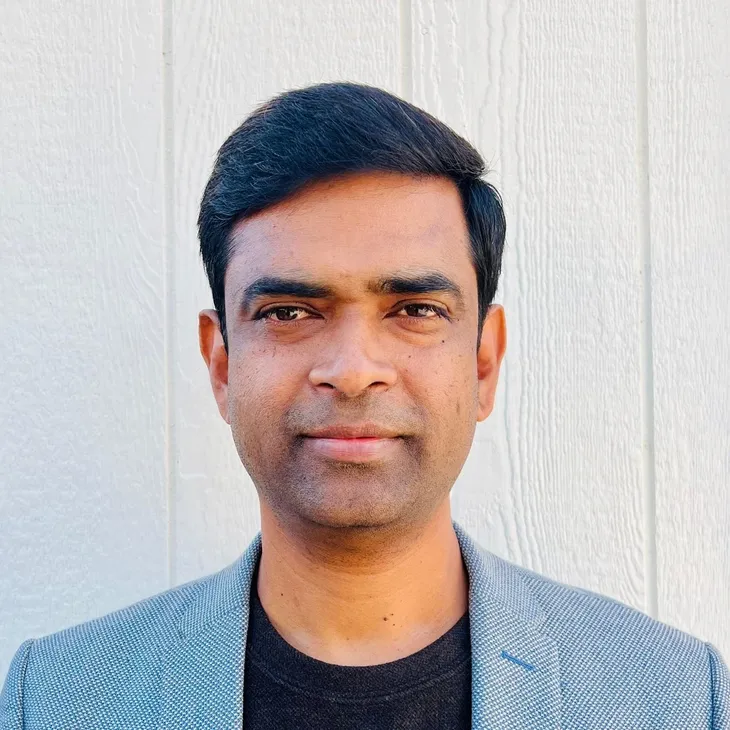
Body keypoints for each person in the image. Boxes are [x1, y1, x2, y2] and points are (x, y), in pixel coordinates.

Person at [1, 82, 727, 730]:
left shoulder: (673, 700)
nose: (352, 372)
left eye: (414, 309)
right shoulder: (60, 702)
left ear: (483, 362)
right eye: (288, 313)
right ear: (221, 364)